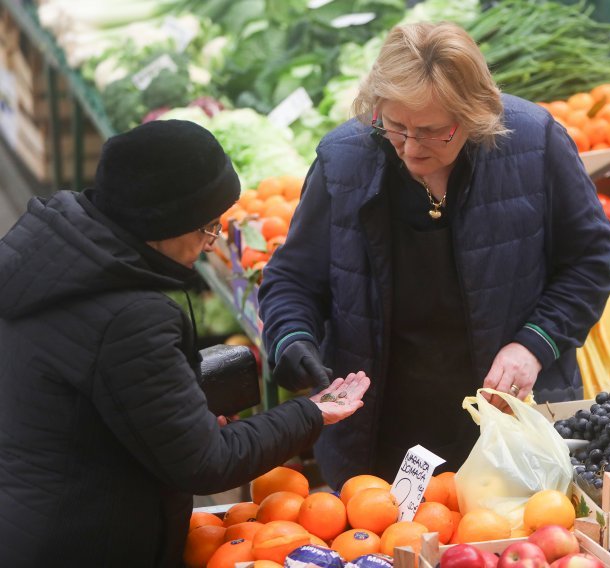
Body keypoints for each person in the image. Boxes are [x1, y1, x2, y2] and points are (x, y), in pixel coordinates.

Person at [258, 21, 610, 488]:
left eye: (432, 132)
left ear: (474, 113)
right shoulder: (341, 160)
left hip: (510, 417)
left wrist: (534, 343)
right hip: (379, 426)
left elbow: (591, 262)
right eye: (395, 126)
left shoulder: (535, 143)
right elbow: (292, 279)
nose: (410, 148)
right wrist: (293, 340)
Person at [0, 119, 370, 567]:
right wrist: (312, 412)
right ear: (163, 222)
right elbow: (206, 463)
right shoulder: (130, 316)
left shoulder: (54, 259)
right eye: (207, 227)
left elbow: (88, 404)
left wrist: (177, 414)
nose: (213, 244)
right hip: (83, 543)